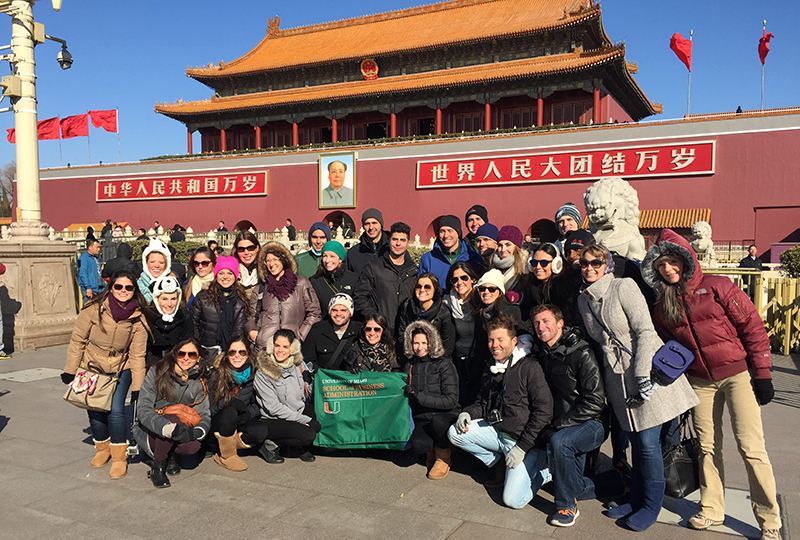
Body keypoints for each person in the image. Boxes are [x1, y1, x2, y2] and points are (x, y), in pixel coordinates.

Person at [642, 229, 781, 539]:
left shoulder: (718, 286)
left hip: (736, 375)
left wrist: (762, 372)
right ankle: (712, 508)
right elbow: (665, 341)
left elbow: (753, 326)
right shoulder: (663, 303)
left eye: (673, 262)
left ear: (686, 259)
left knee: (750, 446)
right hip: (700, 381)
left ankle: (769, 517)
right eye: (661, 265)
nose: (668, 270)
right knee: (707, 447)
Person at [577, 243, 698, 531]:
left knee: (646, 444)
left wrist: (643, 374)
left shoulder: (624, 287)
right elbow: (600, 342)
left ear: (607, 264)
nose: (590, 267)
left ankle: (651, 506)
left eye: (596, 262)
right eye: (584, 263)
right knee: (635, 442)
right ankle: (638, 497)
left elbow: (645, 329)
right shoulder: (584, 299)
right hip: (618, 379)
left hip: (648, 374)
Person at [448, 315, 553, 509]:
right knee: (455, 432)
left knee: (513, 500)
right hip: (497, 431)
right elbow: (482, 402)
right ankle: (500, 463)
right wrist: (468, 413)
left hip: (523, 440)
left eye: (500, 340)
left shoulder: (530, 367)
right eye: (491, 340)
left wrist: (522, 447)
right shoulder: (491, 366)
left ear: (514, 341)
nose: (495, 345)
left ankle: (545, 472)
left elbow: (544, 411)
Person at [62, 269, 149, 479]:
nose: (123, 291)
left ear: (134, 290)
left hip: (121, 366)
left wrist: (137, 388)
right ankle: (103, 448)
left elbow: (138, 355)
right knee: (94, 410)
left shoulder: (138, 317)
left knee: (116, 410)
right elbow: (78, 341)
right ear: (111, 288)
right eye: (118, 286)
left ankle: (120, 456)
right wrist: (70, 370)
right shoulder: (94, 309)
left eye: (128, 287)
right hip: (92, 365)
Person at [531, 304, 606, 527]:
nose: (540, 327)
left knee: (560, 442)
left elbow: (596, 401)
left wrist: (561, 424)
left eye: (546, 321)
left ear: (560, 323)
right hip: (567, 424)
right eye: (536, 323)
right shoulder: (544, 352)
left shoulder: (581, 353)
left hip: (592, 422)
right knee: (573, 484)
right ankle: (616, 483)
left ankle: (566, 506)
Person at [132, 338, 211, 488]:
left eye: (192, 354)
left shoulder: (200, 380)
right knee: (171, 418)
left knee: (192, 446)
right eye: (181, 354)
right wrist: (167, 427)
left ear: (198, 358)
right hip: (151, 427)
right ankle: (158, 466)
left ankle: (172, 455)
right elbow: (143, 409)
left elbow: (204, 413)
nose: (186, 358)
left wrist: (197, 431)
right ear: (175, 354)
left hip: (181, 425)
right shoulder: (156, 372)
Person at [403, 320, 460, 480]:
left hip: (445, 415)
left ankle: (444, 457)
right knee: (419, 445)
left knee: (438, 422)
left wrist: (418, 395)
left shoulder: (444, 364)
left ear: (432, 342)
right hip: (423, 416)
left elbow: (451, 400)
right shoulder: (410, 365)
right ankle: (431, 451)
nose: (420, 348)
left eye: (424, 343)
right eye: (415, 343)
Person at [254, 329, 320, 462]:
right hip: (274, 419)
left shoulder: (299, 365)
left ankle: (297, 447)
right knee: (308, 434)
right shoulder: (262, 374)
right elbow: (274, 408)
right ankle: (270, 445)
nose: (280, 350)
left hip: (297, 411)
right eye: (277, 345)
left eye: (285, 346)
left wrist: (314, 379)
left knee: (320, 412)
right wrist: (304, 420)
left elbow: (308, 393)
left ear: (293, 348)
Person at [208, 337, 270, 471]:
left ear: (247, 354)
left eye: (242, 352)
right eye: (232, 352)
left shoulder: (252, 374)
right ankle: (227, 456)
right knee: (229, 412)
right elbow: (208, 410)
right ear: (226, 354)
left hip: (240, 419)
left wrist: (248, 414)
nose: (237, 356)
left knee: (260, 431)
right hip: (218, 421)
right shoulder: (216, 374)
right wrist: (228, 402)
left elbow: (258, 403)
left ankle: (225, 445)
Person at [246, 242, 322, 350]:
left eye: (275, 259)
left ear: (284, 259)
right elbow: (251, 317)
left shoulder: (301, 283)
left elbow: (314, 313)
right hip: (265, 347)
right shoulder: (260, 289)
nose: (271, 264)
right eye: (267, 260)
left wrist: (300, 336)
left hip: (291, 346)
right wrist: (255, 335)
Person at [353, 221, 418, 333]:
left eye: (402, 240)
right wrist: (375, 318)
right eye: (395, 239)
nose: (398, 244)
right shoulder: (374, 267)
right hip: (380, 332)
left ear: (408, 243)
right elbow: (360, 297)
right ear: (389, 240)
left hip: (405, 332)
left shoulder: (413, 271)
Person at [396, 273, 456, 364]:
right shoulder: (407, 307)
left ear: (435, 290)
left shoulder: (443, 312)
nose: (422, 290)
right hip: (413, 360)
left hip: (437, 362)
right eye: (418, 286)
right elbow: (402, 335)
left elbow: (448, 344)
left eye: (427, 287)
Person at [442, 261, 479, 407]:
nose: (459, 282)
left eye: (464, 278)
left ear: (472, 279)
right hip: (458, 357)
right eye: (455, 279)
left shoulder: (482, 298)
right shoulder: (447, 302)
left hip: (478, 357)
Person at [191, 256, 249, 350]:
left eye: (230, 273)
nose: (225, 277)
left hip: (229, 350)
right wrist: (198, 346)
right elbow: (193, 323)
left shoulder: (240, 300)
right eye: (221, 273)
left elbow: (239, 330)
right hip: (205, 348)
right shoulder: (203, 296)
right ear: (216, 275)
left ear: (235, 276)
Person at [418, 215, 483, 289]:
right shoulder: (428, 259)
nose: (446, 235)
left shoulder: (472, 258)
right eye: (442, 231)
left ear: (458, 233)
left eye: (450, 231)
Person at [302, 293, 362, 370]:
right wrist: (318, 373)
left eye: (343, 310)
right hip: (325, 379)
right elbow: (306, 359)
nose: (338, 314)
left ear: (350, 313)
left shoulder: (359, 331)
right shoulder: (317, 331)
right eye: (334, 310)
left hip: (352, 379)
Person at [146, 276, 195, 367]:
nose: (169, 304)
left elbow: (188, 343)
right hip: (150, 364)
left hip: (177, 363)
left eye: (173, 299)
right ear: (157, 300)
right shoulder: (147, 317)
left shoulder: (185, 317)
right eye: (164, 299)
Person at [309, 240, 359, 313]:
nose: (327, 260)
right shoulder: (315, 281)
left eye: (332, 256)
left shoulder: (354, 279)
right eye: (325, 256)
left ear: (340, 259)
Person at [346, 208, 389, 275]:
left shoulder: (391, 249)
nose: (371, 227)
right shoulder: (353, 253)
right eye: (367, 224)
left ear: (381, 225)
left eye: (374, 223)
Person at [492, 225, 529, 300]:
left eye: (508, 244)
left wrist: (519, 297)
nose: (503, 249)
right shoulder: (492, 264)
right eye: (500, 245)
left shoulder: (526, 266)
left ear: (516, 247)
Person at [138, 238, 172, 303]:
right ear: (146, 263)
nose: (156, 265)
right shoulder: (134, 286)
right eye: (152, 262)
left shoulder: (173, 285)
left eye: (161, 262)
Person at [232, 231, 261, 298]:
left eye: (250, 248)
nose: (246, 252)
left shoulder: (265, 271)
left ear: (257, 248)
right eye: (241, 249)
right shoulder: (230, 272)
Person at [78, 239, 104, 304]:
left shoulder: (95, 258)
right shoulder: (84, 258)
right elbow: (83, 273)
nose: (98, 249)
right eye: (97, 247)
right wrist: (88, 287)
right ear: (90, 247)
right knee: (88, 310)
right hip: (90, 289)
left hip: (99, 288)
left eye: (99, 247)